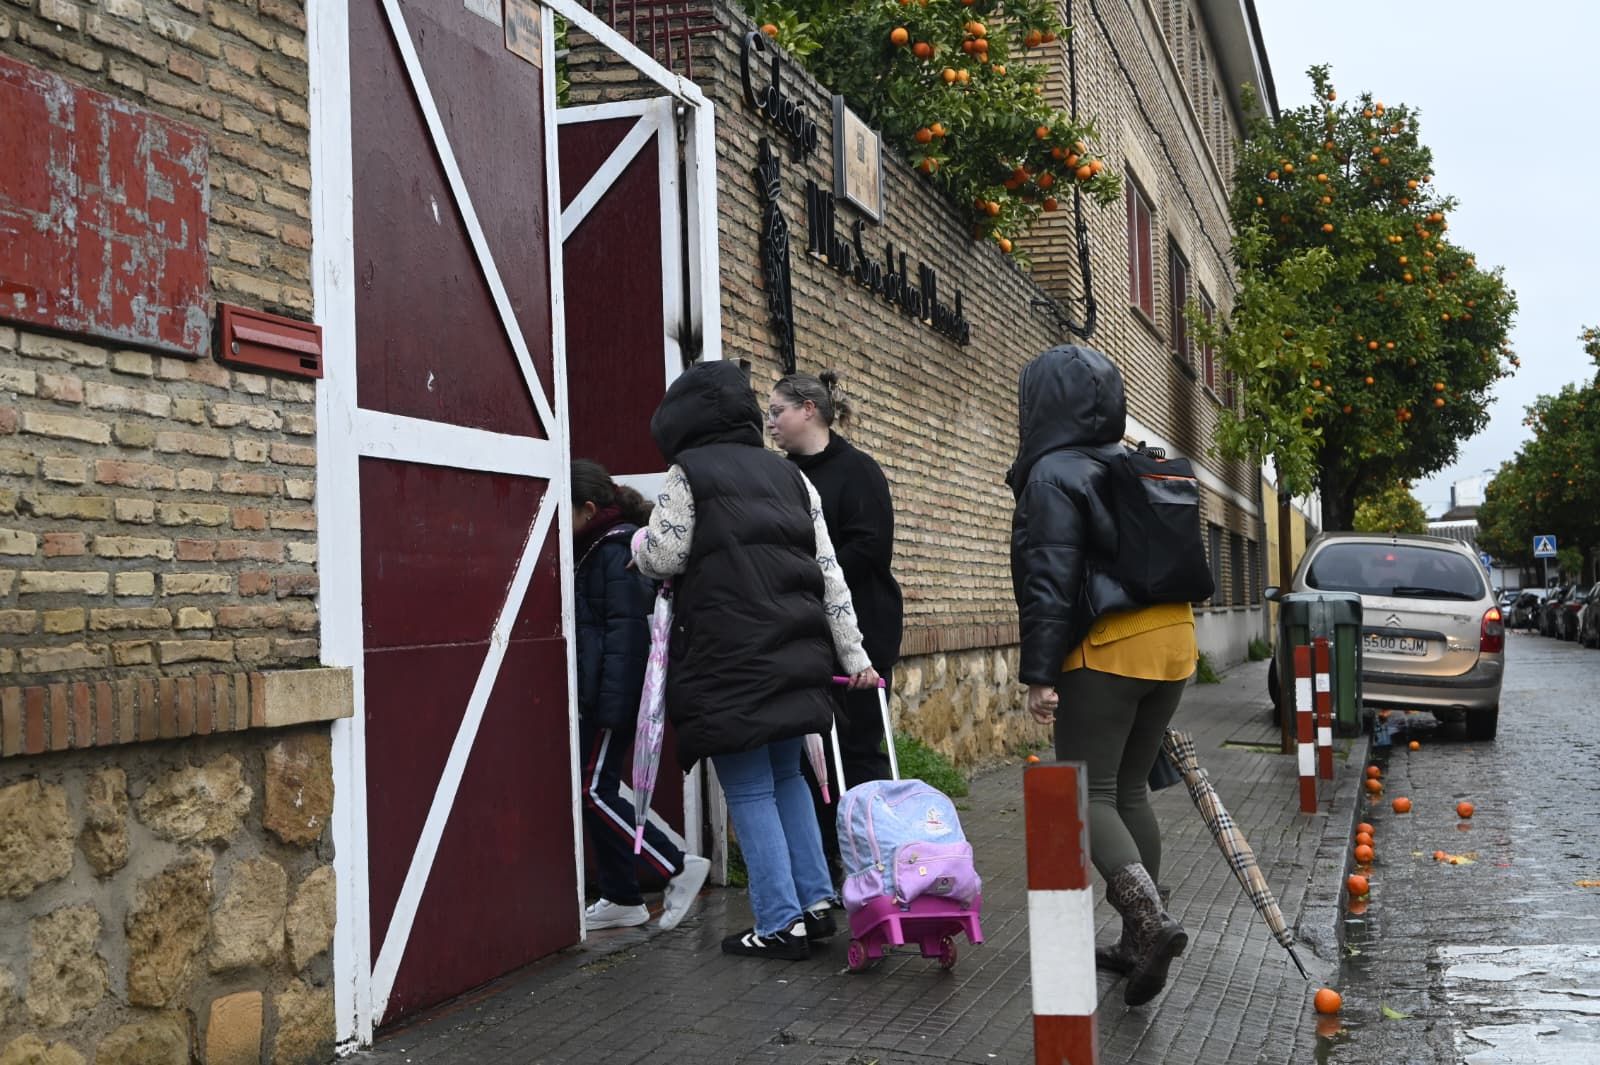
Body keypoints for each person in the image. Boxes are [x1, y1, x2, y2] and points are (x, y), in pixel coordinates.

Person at [631, 360, 879, 960]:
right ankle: (817, 903)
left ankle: (777, 922)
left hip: (730, 657)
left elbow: (665, 556)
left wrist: (639, 543)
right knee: (788, 776)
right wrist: (857, 655)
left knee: (747, 787)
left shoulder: (687, 474)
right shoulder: (792, 476)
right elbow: (830, 575)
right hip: (798, 656)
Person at [1007, 344, 1195, 1007]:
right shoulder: (1139, 459)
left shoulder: (1051, 474)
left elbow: (1049, 581)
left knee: (1087, 791)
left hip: (1108, 648)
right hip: (1174, 643)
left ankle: (1149, 921)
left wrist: (1038, 674)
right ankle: (1135, 937)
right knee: (1131, 788)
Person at [767, 370, 903, 874]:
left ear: (808, 408)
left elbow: (870, 547)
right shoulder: (779, 475)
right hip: (801, 634)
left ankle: (879, 856)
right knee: (810, 753)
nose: (771, 423)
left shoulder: (857, 470)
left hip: (863, 631)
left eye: (777, 411)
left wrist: (808, 573)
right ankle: (827, 859)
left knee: (860, 746)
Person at [572, 459, 710, 932]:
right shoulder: (594, 545)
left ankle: (676, 864)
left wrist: (611, 706)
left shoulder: (614, 551)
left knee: (592, 790)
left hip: (612, 696)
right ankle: (622, 897)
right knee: (597, 789)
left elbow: (629, 638)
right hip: (601, 692)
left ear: (588, 508)